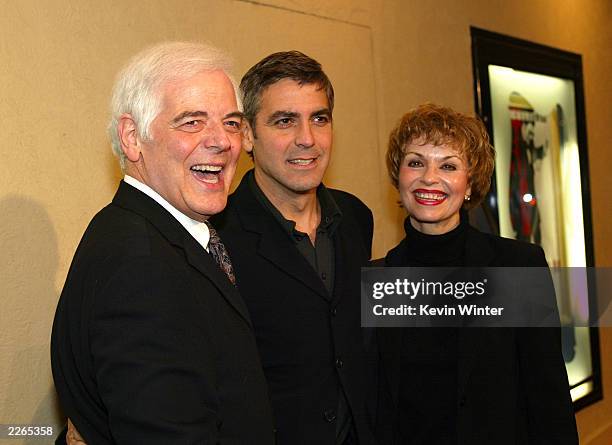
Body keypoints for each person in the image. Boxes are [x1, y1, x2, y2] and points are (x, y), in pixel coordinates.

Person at [51, 42, 275, 444]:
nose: (222, 141)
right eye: (191, 122)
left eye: (231, 122)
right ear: (133, 138)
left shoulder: (157, 234)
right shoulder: (140, 264)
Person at [378, 103, 578, 444]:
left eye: (449, 165)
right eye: (415, 162)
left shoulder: (517, 266)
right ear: (399, 177)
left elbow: (548, 399)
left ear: (469, 184)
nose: (429, 177)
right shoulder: (379, 280)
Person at [211, 51, 378, 445]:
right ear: (247, 134)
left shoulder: (356, 218)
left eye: (319, 118)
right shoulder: (217, 236)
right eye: (285, 121)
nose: (308, 138)